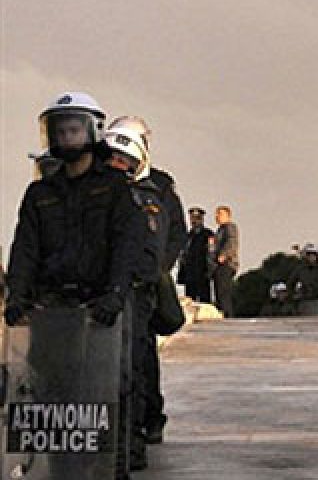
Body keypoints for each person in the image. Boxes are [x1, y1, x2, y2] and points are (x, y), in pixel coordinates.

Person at [5, 92, 147, 480]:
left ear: (93, 130)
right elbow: (25, 250)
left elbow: (126, 245)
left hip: (101, 316)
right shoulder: (40, 194)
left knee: (104, 404)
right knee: (55, 404)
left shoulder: (115, 188)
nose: (67, 137)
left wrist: (116, 294)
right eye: (61, 130)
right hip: (51, 314)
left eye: (74, 128)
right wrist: (15, 297)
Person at [107, 115, 186, 447]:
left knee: (140, 355)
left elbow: (174, 232)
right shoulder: (106, 181)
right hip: (113, 284)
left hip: (145, 284)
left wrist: (158, 269)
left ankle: (145, 422)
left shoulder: (159, 186)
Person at [180, 207, 215, 302]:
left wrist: (210, 270)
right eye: (192, 218)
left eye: (197, 218)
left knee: (204, 301)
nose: (194, 221)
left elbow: (211, 252)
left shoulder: (208, 234)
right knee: (190, 301)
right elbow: (183, 255)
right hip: (190, 274)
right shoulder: (188, 236)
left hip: (203, 272)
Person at [212, 205, 239, 316]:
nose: (217, 216)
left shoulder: (230, 227)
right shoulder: (220, 230)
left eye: (220, 214)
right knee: (219, 292)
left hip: (226, 264)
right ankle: (223, 314)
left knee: (223, 293)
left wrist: (223, 255)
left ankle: (227, 315)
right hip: (219, 265)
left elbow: (232, 242)